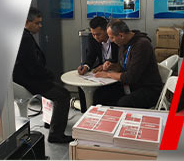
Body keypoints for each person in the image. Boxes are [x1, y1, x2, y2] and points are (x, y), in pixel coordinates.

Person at [12, 7, 75, 143]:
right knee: (63, 95)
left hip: (24, 78)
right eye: (37, 23)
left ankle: (50, 123)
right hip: (28, 81)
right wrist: (49, 75)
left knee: (57, 90)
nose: (40, 26)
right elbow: (33, 67)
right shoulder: (25, 38)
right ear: (26, 22)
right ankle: (56, 135)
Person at [91, 20, 164, 109]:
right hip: (130, 85)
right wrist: (111, 66)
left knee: (123, 103)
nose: (111, 41)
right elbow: (122, 66)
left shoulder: (142, 45)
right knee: (99, 94)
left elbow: (130, 77)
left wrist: (108, 74)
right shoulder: (123, 43)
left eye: (112, 38)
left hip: (148, 89)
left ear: (121, 35)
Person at [79, 16, 124, 106]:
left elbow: (121, 60)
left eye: (98, 34)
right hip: (100, 70)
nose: (96, 37)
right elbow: (91, 55)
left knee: (100, 94)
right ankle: (85, 112)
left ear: (106, 31)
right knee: (82, 87)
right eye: (93, 34)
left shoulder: (116, 38)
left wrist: (108, 65)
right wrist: (86, 66)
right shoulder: (92, 38)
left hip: (115, 71)